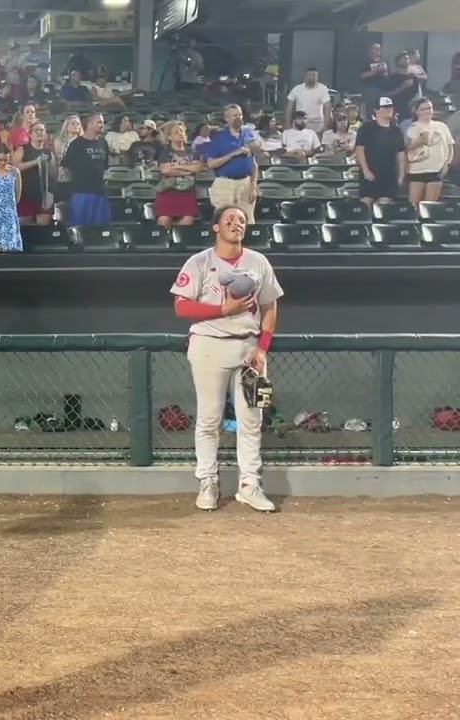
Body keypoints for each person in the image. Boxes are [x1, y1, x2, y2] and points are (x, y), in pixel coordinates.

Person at [170, 205, 281, 513]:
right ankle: (208, 481)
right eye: (229, 219)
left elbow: (270, 306)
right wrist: (223, 310)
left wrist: (263, 348)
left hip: (250, 349)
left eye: (241, 220)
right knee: (209, 419)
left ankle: (250, 485)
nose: (236, 223)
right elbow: (181, 306)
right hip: (209, 345)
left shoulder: (258, 261)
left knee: (252, 420)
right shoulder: (199, 261)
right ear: (216, 227)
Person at [202, 104, 259, 224]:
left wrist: (253, 185)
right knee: (225, 220)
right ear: (227, 118)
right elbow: (211, 164)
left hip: (245, 183)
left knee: (247, 221)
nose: (238, 118)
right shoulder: (219, 137)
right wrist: (234, 154)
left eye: (240, 115)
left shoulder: (247, 134)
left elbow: (253, 164)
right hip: (225, 184)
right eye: (235, 116)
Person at [61, 112, 110, 226]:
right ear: (90, 124)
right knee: (81, 228)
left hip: (100, 193)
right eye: (99, 122)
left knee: (100, 229)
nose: (102, 125)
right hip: (81, 193)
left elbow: (105, 166)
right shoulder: (76, 145)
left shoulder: (103, 142)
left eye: (102, 122)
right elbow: (66, 168)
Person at [354, 97, 406, 206]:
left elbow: (401, 153)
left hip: (389, 175)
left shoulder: (396, 130)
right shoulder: (366, 128)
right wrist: (365, 170)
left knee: (384, 206)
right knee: (366, 203)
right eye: (385, 107)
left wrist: (401, 174)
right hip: (371, 172)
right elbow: (359, 149)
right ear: (376, 110)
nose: (389, 109)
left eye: (390, 107)